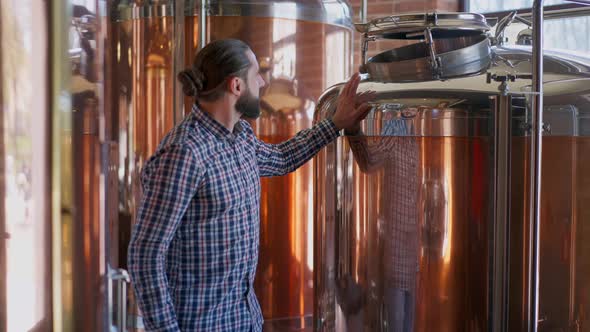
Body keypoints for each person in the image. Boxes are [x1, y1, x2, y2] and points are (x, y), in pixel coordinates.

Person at [127, 39, 373, 332]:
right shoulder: (185, 153)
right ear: (236, 86)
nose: (262, 81)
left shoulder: (240, 135)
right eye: (255, 73)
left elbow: (282, 158)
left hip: (244, 320)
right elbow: (145, 254)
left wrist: (334, 124)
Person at [346, 114, 421, 332]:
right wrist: (354, 130)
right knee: (396, 313)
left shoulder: (417, 131)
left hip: (413, 236)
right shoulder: (394, 126)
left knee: (410, 312)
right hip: (395, 233)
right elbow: (369, 163)